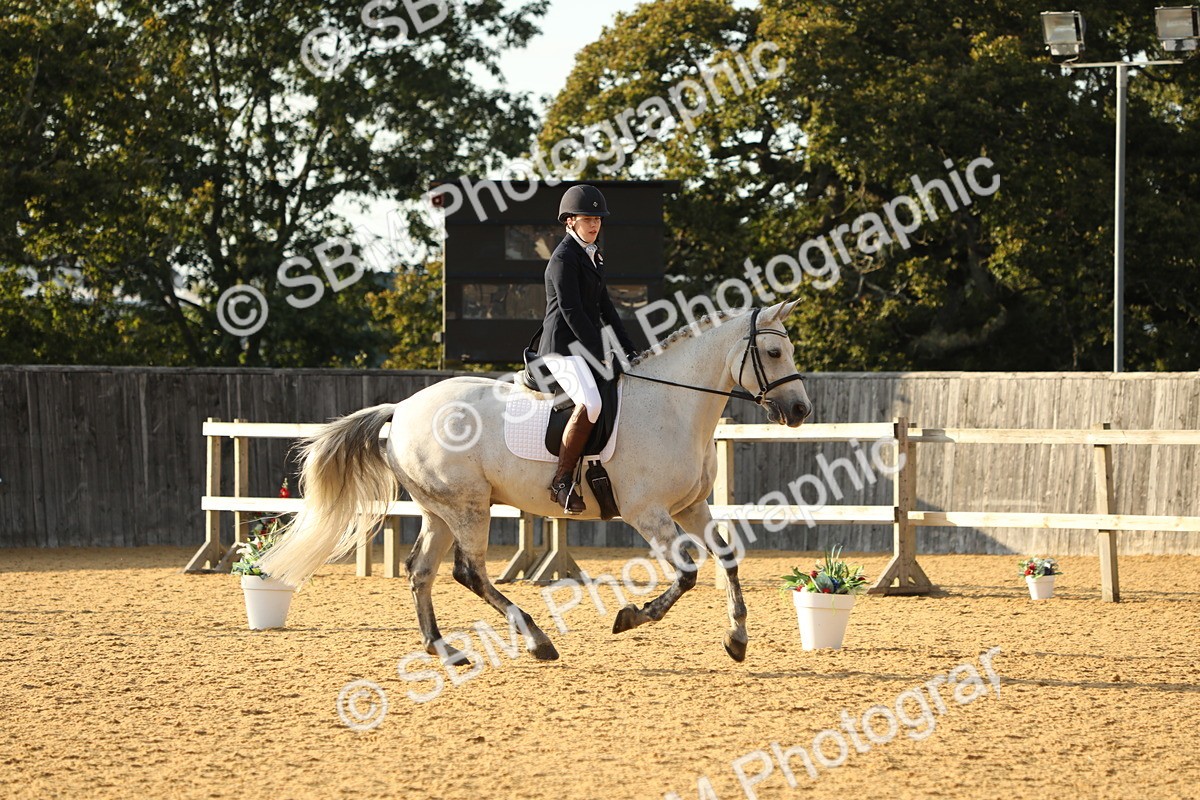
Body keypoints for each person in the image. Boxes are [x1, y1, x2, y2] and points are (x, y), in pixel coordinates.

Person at [530, 184, 638, 514]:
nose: (594, 225)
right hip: (560, 351)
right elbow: (572, 311)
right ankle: (561, 480)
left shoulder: (593, 256)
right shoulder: (563, 259)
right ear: (570, 222)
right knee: (590, 403)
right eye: (587, 219)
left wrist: (630, 349)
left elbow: (606, 309)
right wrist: (600, 352)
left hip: (582, 349)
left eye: (598, 219)